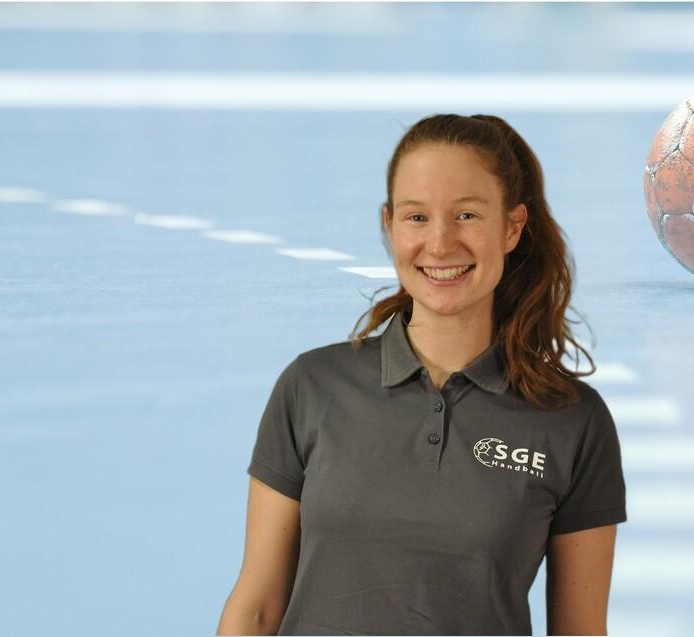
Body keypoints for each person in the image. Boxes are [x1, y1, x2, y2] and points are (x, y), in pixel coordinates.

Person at [218, 114, 627, 636]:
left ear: (511, 227)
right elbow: (255, 610)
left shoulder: (573, 420)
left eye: (467, 215)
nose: (439, 244)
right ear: (389, 224)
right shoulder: (311, 387)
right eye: (417, 217)